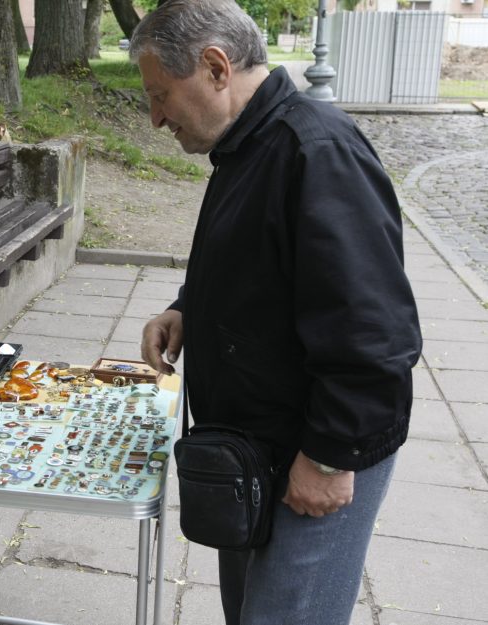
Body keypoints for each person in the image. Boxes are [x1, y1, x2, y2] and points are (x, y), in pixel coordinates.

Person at [131, 2, 422, 624]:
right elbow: (272, 265)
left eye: (160, 95)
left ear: (215, 67)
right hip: (259, 445)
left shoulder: (314, 149)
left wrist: (327, 460)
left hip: (314, 448)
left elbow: (374, 333)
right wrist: (190, 308)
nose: (155, 117)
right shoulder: (250, 142)